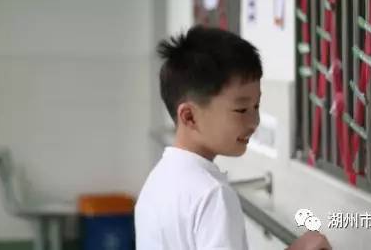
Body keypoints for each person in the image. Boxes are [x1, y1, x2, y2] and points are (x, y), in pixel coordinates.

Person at [135, 25, 331, 250]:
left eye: (256, 106)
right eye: (241, 110)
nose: (254, 121)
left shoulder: (157, 182)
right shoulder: (212, 194)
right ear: (189, 116)